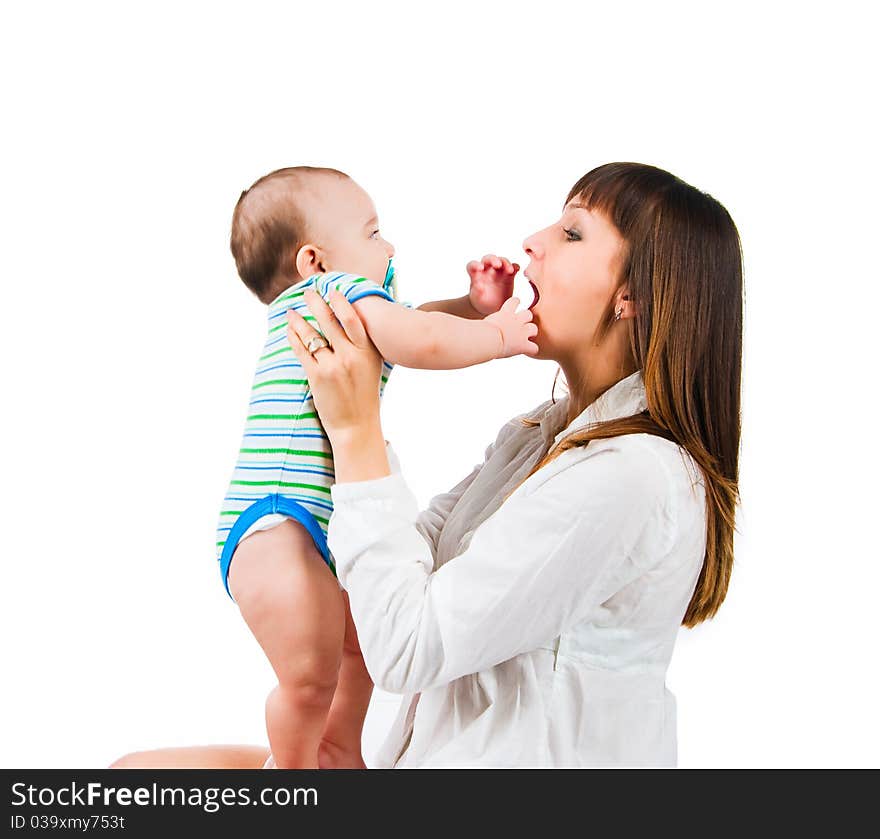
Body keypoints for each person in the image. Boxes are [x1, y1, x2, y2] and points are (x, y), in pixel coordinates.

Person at [111, 161, 742, 769]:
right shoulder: (534, 438)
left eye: (572, 233)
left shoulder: (629, 475)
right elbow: (405, 565)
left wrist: (356, 430)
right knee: (128, 778)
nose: (534, 242)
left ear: (631, 295)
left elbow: (408, 648)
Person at [215, 166, 538, 769]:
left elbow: (415, 324)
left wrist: (469, 305)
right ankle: (291, 777)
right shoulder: (335, 292)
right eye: (372, 232)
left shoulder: (336, 302)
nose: (388, 248)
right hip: (277, 521)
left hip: (300, 525)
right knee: (309, 679)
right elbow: (420, 340)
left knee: (358, 651)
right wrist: (497, 333)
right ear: (314, 259)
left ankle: (338, 752)